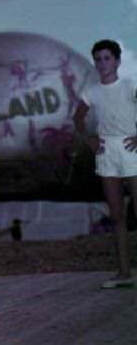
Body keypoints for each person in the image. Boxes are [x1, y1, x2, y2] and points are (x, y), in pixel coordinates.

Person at [73, 39, 137, 288]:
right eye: (98, 59)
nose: (102, 63)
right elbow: (78, 117)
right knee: (117, 215)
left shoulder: (131, 86)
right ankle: (124, 272)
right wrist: (89, 140)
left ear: (118, 61)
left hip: (130, 149)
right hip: (106, 152)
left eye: (107, 58)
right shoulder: (92, 92)